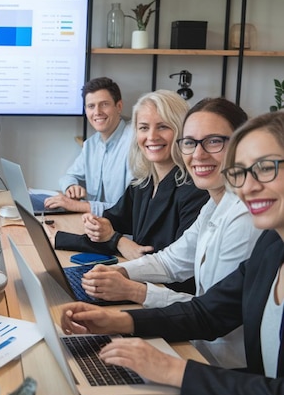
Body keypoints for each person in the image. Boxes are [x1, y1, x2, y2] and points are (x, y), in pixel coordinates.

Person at [60, 110, 284, 395]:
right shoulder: (272, 245)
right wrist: (118, 322)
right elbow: (209, 311)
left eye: (266, 168)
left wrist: (174, 370)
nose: (248, 187)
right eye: (240, 172)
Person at [78, 97, 260, 368]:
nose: (198, 154)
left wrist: (135, 291)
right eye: (190, 142)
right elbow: (171, 260)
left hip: (222, 363)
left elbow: (210, 311)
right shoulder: (215, 202)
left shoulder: (245, 219)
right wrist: (121, 273)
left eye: (214, 141)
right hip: (193, 346)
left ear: (241, 146)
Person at [55, 90, 209, 273]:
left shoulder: (196, 190)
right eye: (144, 128)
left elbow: (172, 264)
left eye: (163, 127)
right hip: (141, 279)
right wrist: (64, 236)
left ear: (182, 131)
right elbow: (111, 225)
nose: (151, 137)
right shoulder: (143, 183)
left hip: (164, 291)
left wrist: (116, 239)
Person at [45, 77, 132, 215]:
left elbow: (127, 209)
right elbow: (69, 176)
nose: (97, 112)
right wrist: (71, 186)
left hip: (122, 231)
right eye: (91, 106)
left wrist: (78, 206)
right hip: (94, 223)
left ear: (119, 106)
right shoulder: (91, 145)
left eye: (104, 104)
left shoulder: (135, 142)